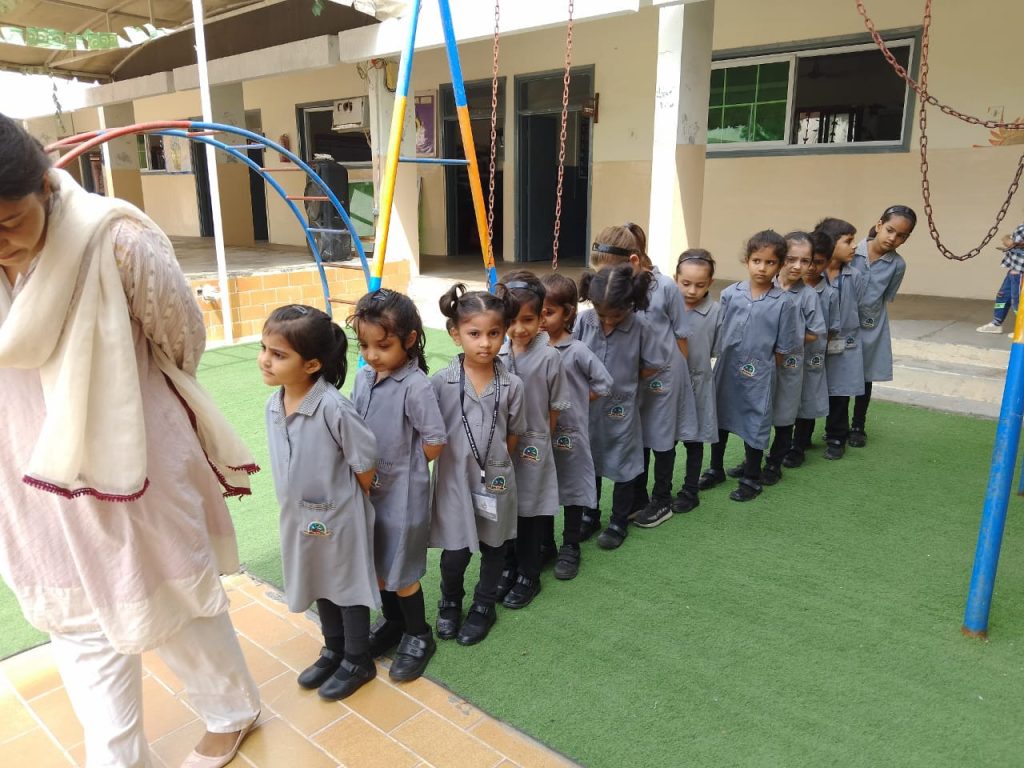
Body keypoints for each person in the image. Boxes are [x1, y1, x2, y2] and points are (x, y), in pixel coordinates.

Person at [0, 113, 261, 768]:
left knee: (177, 601)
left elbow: (182, 338)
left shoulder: (116, 239)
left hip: (133, 462)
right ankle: (118, 756)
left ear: (43, 186)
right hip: (31, 472)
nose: (0, 244)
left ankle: (232, 710)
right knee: (77, 622)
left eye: (8, 222)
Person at [261, 305, 380, 701]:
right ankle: (334, 649)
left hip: (339, 515)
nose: (266, 360)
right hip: (299, 515)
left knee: (347, 583)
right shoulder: (274, 404)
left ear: (312, 364)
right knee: (318, 578)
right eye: (264, 349)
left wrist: (345, 503)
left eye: (279, 354)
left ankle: (358, 659)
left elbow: (365, 463)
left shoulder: (332, 406)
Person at [349, 289, 446, 682]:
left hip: (403, 495)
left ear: (409, 340)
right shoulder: (363, 377)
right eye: (365, 346)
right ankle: (393, 623)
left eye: (383, 346)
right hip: (367, 490)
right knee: (379, 563)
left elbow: (435, 439)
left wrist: (406, 468)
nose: (372, 355)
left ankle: (418, 633)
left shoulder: (415, 385)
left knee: (402, 570)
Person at [430, 284, 526, 646]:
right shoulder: (440, 383)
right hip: (453, 482)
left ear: (504, 333)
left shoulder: (512, 385)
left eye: (494, 333)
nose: (485, 343)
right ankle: (450, 601)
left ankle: (484, 605)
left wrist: (494, 464)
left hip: (496, 480)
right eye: (474, 334)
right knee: (454, 553)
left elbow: (513, 434)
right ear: (455, 334)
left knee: (494, 548)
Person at [589, 223, 697, 530]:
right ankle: (637, 499)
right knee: (636, 437)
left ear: (633, 262)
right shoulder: (615, 292)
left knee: (661, 437)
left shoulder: (665, 287)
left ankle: (661, 500)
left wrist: (680, 376)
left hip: (662, 374)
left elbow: (681, 335)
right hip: (631, 377)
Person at [699, 231, 800, 502]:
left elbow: (783, 348)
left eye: (770, 262)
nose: (762, 268)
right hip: (727, 369)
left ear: (780, 265)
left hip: (761, 375)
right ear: (747, 261)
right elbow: (720, 332)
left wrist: (763, 370)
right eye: (757, 260)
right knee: (720, 417)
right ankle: (715, 468)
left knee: (755, 422)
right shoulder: (731, 294)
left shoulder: (785, 303)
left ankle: (752, 478)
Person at [573, 264, 664, 549]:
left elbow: (653, 364)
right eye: (602, 315)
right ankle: (590, 514)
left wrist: (628, 381)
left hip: (621, 410)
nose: (609, 322)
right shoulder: (584, 321)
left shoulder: (641, 327)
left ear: (631, 303)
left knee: (623, 465)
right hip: (588, 407)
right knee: (590, 461)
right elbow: (572, 353)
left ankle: (618, 521)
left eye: (617, 315)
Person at [496, 271, 569, 609]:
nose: (518, 329)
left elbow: (555, 406)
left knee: (530, 513)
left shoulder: (550, 356)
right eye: (510, 321)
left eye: (527, 319)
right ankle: (508, 566)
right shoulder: (498, 354)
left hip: (533, 447)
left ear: (541, 318)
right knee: (507, 509)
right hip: (502, 447)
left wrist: (542, 441)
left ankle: (529, 574)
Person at [539, 272, 613, 580]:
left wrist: (579, 399)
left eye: (548, 312)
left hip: (570, 435)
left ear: (568, 313)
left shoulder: (577, 351)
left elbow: (605, 383)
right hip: (539, 435)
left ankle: (570, 545)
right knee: (542, 488)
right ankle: (545, 544)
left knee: (571, 489)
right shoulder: (532, 349)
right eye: (537, 312)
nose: (541, 320)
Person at [752, 232, 823, 484]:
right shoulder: (764, 287)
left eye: (805, 261)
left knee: (784, 416)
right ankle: (752, 461)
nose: (797, 266)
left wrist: (786, 338)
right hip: (762, 364)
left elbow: (815, 332)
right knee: (757, 412)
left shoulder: (808, 295)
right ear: (781, 258)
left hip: (789, 366)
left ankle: (774, 464)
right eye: (791, 259)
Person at [851, 205, 917, 446]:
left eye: (901, 235)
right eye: (890, 230)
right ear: (879, 225)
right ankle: (834, 426)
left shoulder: (898, 265)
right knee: (837, 373)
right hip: (843, 322)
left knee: (865, 375)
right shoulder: (851, 252)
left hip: (872, 325)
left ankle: (858, 425)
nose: (893, 238)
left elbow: (886, 296)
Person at [816, 217, 867, 461]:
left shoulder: (854, 276)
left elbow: (860, 305)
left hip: (844, 342)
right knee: (809, 388)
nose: (854, 246)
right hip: (814, 342)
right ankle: (799, 440)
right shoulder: (813, 274)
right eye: (848, 241)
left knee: (840, 390)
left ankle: (837, 436)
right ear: (830, 244)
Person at [673, 249, 720, 513]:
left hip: (699, 385)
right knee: (665, 441)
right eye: (686, 283)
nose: (692, 290)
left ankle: (690, 491)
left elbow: (716, 348)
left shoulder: (716, 312)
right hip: (668, 387)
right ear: (676, 279)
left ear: (710, 282)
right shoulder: (667, 308)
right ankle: (660, 492)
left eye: (700, 285)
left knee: (694, 441)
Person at [787, 230, 840, 467]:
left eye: (814, 262)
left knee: (807, 400)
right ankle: (783, 446)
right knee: (786, 400)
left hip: (812, 356)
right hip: (786, 357)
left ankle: (799, 446)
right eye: (794, 259)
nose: (807, 267)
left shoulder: (828, 294)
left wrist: (820, 351)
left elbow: (831, 328)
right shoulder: (780, 289)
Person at [977, 221, 1024, 335]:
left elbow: (1010, 242)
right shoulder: (1021, 227)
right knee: (1002, 296)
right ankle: (996, 323)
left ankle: (1021, 329)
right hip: (1013, 271)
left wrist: (1008, 240)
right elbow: (1012, 242)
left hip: (1020, 274)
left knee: (1018, 302)